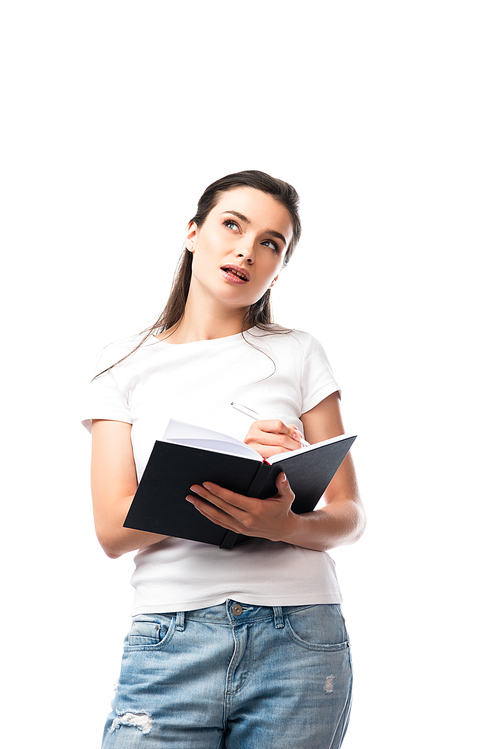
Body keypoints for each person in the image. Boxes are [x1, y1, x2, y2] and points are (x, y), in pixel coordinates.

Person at [84, 169, 366, 748]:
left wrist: (285, 521)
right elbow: (113, 530)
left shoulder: (299, 352)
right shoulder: (121, 363)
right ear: (193, 233)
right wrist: (223, 469)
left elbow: (351, 515)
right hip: (171, 635)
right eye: (232, 225)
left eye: (271, 243)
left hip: (300, 636)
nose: (246, 250)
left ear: (279, 268)